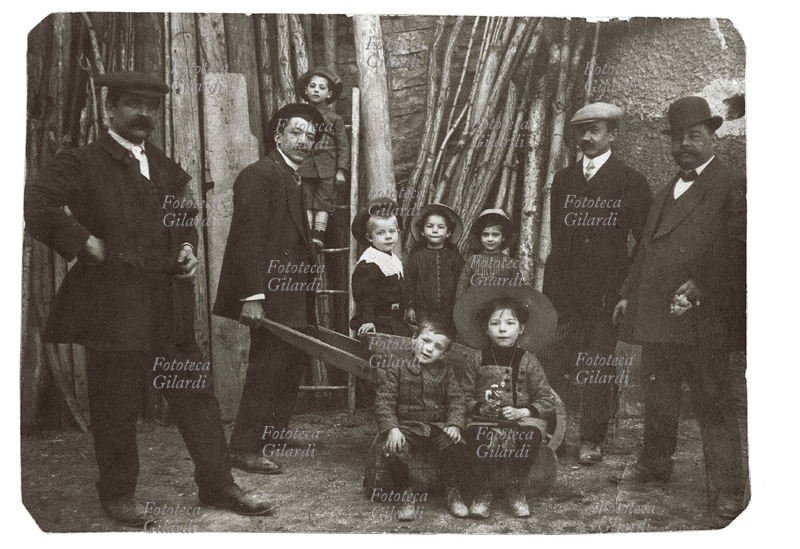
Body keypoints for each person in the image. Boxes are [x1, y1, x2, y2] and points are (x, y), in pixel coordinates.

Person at [24, 71, 274, 525]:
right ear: (110, 110)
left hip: (166, 303)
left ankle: (217, 485)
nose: (145, 114)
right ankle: (118, 494)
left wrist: (188, 248)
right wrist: (83, 241)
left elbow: (184, 216)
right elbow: (35, 203)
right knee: (115, 402)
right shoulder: (81, 162)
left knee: (195, 396)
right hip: (113, 303)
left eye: (153, 107)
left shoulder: (162, 167)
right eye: (135, 104)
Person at [612, 96, 747, 521]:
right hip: (657, 312)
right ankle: (655, 466)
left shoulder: (731, 183)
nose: (685, 145)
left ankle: (729, 487)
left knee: (713, 400)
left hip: (703, 315)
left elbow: (741, 246)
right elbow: (646, 249)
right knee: (660, 392)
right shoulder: (668, 187)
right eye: (678, 138)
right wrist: (626, 293)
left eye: (695, 136)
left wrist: (702, 283)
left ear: (712, 138)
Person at [213, 103, 324, 475]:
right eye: (296, 132)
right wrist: (253, 296)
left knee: (290, 364)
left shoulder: (290, 176)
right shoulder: (260, 174)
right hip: (270, 294)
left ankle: (273, 433)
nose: (303, 141)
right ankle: (243, 448)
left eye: (310, 136)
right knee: (268, 367)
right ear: (277, 135)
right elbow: (249, 238)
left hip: (291, 292)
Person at [540, 102, 652, 465]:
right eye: (582, 131)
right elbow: (559, 239)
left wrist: (625, 293)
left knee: (597, 364)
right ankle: (548, 433)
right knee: (554, 359)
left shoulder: (630, 181)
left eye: (596, 130)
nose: (587, 137)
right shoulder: (564, 180)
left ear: (612, 135)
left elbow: (644, 244)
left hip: (605, 294)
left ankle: (592, 439)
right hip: (564, 292)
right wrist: (551, 292)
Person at [454, 285, 558, 519]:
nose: (503, 329)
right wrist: (479, 408)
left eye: (510, 324)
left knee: (530, 436)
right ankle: (484, 489)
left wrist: (523, 411)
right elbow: (463, 396)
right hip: (484, 422)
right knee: (474, 437)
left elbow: (547, 400)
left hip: (518, 423)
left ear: (520, 329)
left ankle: (515, 485)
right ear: (486, 329)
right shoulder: (476, 359)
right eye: (495, 324)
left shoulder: (529, 361)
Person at [372, 318, 470, 519]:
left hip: (437, 426)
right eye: (425, 341)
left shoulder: (446, 372)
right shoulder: (397, 368)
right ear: (413, 339)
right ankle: (404, 493)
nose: (428, 349)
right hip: (407, 427)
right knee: (394, 448)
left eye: (437, 347)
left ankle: (452, 491)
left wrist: (454, 425)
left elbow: (457, 400)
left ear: (444, 353)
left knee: (456, 446)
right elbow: (384, 401)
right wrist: (392, 429)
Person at [295, 66, 350, 248]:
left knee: (324, 202)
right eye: (312, 86)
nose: (316, 90)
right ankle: (308, 235)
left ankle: (319, 235)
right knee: (307, 201)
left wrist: (341, 170)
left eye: (321, 87)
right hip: (305, 166)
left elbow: (343, 146)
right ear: (306, 90)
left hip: (328, 168)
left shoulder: (335, 119)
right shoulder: (299, 116)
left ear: (329, 93)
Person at [350, 198, 411, 337]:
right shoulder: (370, 262)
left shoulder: (393, 259)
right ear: (370, 237)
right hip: (378, 322)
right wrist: (367, 320)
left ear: (398, 232)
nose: (388, 237)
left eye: (392, 231)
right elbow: (365, 296)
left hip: (394, 321)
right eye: (381, 233)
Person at [403, 203, 465, 328]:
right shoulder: (416, 257)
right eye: (429, 226)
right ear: (422, 231)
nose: (435, 230)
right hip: (423, 312)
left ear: (448, 233)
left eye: (441, 227)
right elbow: (409, 284)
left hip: (450, 312)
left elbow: (462, 283)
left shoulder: (454, 257)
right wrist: (410, 307)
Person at [455, 209, 520, 299]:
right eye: (485, 234)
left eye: (495, 235)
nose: (490, 239)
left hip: (501, 308)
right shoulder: (473, 261)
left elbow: (519, 291)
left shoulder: (510, 263)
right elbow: (461, 288)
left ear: (503, 237)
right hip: (474, 308)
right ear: (480, 236)